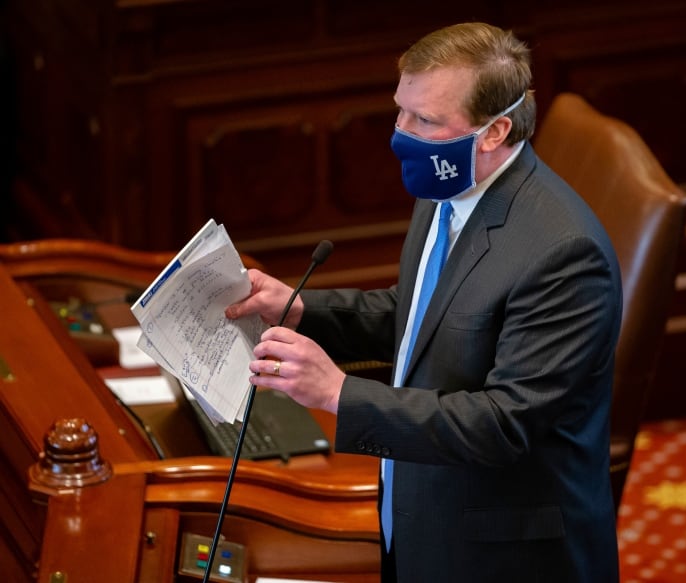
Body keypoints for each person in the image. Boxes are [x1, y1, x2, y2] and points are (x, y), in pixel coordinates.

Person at [226, 22, 621, 582]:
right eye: (400, 110)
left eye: (425, 120)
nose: (401, 134)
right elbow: (424, 319)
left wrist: (339, 393)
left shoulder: (564, 254)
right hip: (418, 510)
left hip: (502, 554)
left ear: (494, 131)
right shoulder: (449, 184)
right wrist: (301, 310)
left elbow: (502, 425)